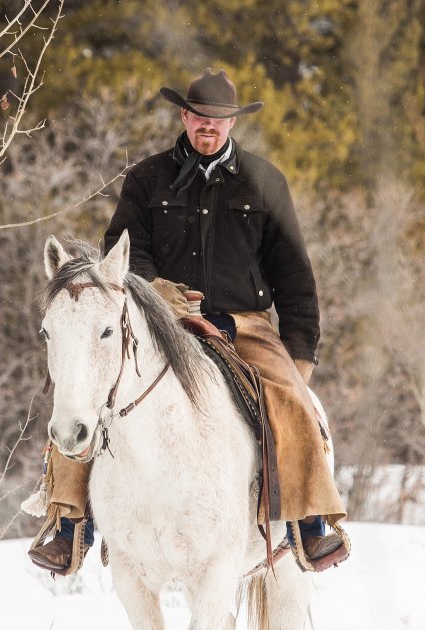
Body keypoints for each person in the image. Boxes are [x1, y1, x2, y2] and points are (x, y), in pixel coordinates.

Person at [29, 68, 347, 574]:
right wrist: (160, 295)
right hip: (162, 320)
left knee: (291, 397)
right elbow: (122, 256)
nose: (209, 127)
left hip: (243, 324)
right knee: (82, 389)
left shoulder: (265, 182)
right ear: (184, 115)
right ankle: (70, 525)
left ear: (232, 124)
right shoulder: (147, 179)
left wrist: (300, 351)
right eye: (201, 117)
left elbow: (294, 273)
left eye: (220, 120)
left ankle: (310, 523)